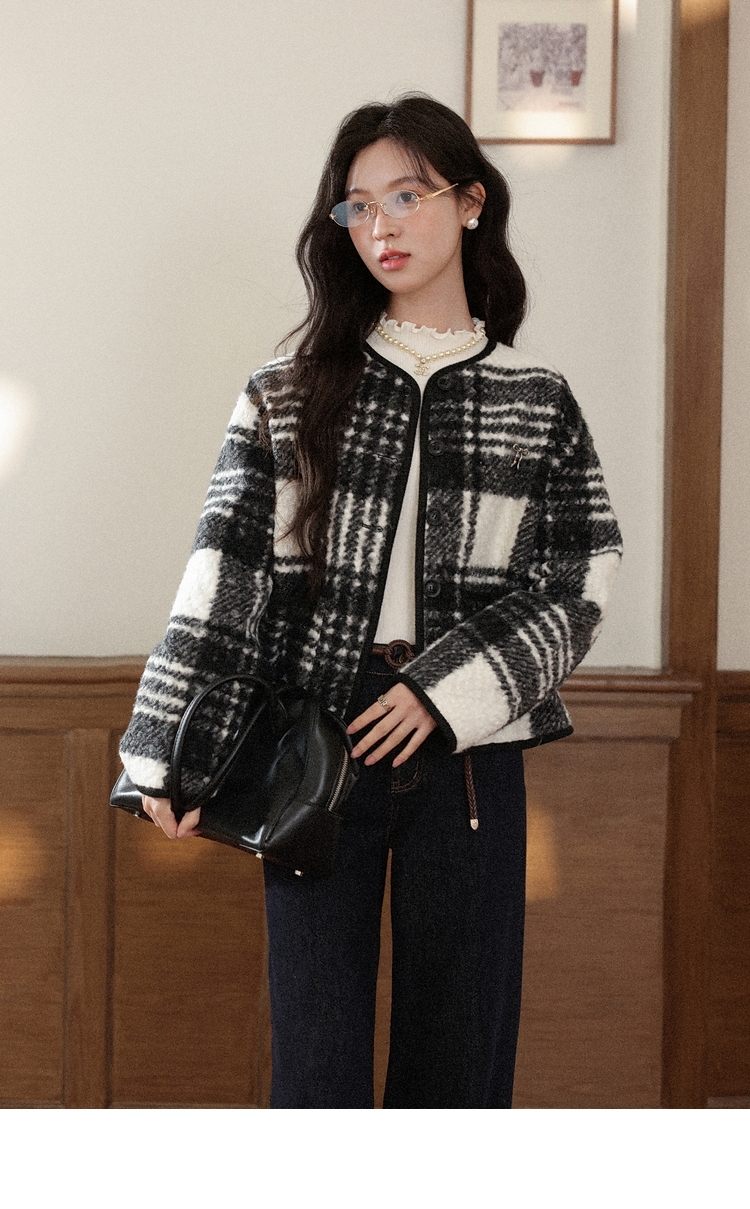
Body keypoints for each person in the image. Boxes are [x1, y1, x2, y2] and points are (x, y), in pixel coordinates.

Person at [119, 94, 622, 1108]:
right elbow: (225, 569)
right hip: (319, 736)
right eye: (358, 206)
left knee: (460, 1057)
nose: (381, 225)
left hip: (468, 749)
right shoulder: (288, 389)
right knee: (317, 1058)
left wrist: (444, 690)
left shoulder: (536, 398)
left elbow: (579, 576)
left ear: (471, 203)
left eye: (407, 195)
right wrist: (165, 749)